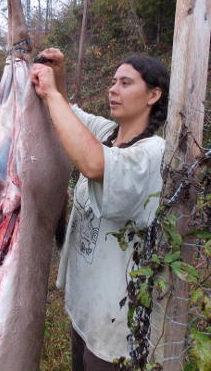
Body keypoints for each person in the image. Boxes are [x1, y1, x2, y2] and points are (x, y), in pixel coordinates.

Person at [30, 48, 170, 371]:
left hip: (115, 330)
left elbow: (93, 164)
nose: (113, 89)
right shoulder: (107, 134)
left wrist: (50, 90)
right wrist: (59, 76)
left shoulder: (152, 154)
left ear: (153, 95)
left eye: (125, 83)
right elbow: (68, 115)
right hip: (86, 311)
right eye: (112, 82)